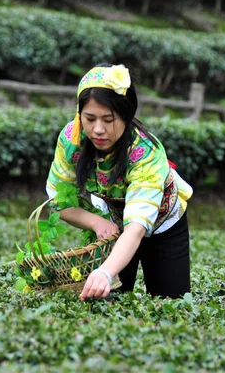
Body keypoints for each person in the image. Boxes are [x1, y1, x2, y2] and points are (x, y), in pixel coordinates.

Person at [46, 63, 193, 301]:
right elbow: (58, 200)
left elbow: (136, 226)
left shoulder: (145, 152)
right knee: (108, 300)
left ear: (126, 115)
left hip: (162, 223)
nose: (98, 130)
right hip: (115, 222)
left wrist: (105, 272)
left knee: (171, 304)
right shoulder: (72, 139)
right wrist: (96, 223)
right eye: (89, 118)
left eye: (108, 119)